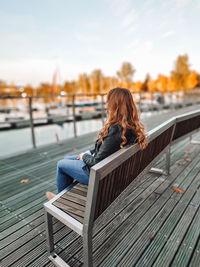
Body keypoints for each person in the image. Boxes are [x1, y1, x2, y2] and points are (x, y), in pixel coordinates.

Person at [46, 87, 147, 200]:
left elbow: (96, 162)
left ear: (115, 105)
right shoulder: (131, 127)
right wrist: (89, 152)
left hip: (100, 175)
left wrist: (84, 156)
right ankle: (64, 196)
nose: (107, 105)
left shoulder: (116, 130)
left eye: (109, 102)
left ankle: (60, 199)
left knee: (61, 164)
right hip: (113, 171)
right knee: (67, 159)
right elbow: (108, 149)